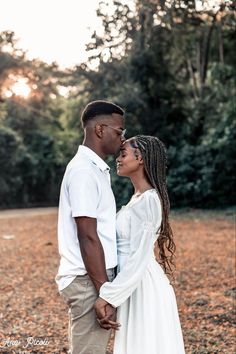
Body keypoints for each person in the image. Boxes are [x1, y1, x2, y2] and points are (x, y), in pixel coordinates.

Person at [95, 135, 186, 354]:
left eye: (123, 154)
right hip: (130, 283)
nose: (118, 158)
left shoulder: (149, 200)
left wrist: (108, 295)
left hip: (143, 285)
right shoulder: (136, 198)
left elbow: (139, 257)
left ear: (141, 158)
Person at [55, 100, 126, 354]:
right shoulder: (84, 171)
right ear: (99, 130)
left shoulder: (95, 169)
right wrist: (103, 291)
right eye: (119, 132)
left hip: (92, 279)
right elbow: (87, 235)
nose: (122, 139)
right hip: (88, 281)